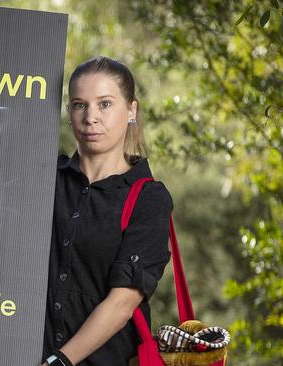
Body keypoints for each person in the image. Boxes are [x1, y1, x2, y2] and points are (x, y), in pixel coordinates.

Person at [41, 56, 173, 366]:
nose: (90, 118)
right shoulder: (43, 179)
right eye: (79, 105)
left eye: (105, 104)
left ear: (131, 110)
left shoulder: (149, 199)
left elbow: (121, 305)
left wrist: (58, 362)